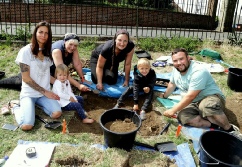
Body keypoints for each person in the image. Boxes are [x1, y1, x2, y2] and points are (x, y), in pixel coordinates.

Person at [161, 48, 241, 135]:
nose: (179, 63)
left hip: (210, 97)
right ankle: (216, 126)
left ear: (188, 58)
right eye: (175, 61)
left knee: (206, 106)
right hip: (194, 102)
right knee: (183, 116)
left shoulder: (198, 71)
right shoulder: (176, 70)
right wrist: (164, 96)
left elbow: (190, 96)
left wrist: (172, 110)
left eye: (181, 59)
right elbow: (172, 84)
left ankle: (230, 129)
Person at [11, 21, 62, 131]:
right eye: (40, 32)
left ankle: (35, 106)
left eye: (46, 33)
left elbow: (46, 74)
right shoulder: (25, 51)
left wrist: (60, 84)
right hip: (29, 93)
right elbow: (26, 78)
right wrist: (45, 92)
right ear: (35, 33)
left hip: (43, 94)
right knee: (27, 125)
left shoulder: (48, 52)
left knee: (57, 113)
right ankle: (15, 106)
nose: (43, 36)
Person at [0, 33, 90, 92]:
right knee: (21, 83)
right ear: (65, 42)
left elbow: (77, 64)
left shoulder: (73, 49)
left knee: (60, 84)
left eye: (75, 45)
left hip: (51, 72)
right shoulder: (57, 51)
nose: (73, 47)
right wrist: (78, 85)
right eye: (70, 44)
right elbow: (62, 71)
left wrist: (83, 79)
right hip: (39, 71)